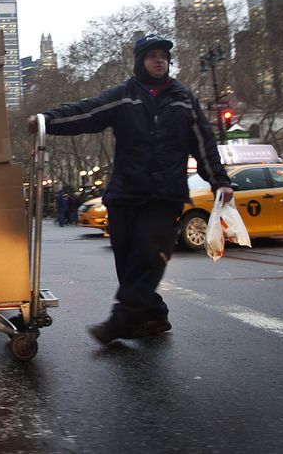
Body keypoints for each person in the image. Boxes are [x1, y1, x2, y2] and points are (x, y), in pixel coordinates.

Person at [28, 33, 233, 346]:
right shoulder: (124, 95)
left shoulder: (183, 99)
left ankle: (120, 321)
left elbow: (204, 142)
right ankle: (153, 316)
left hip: (164, 195)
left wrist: (219, 181)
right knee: (127, 263)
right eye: (152, 56)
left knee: (149, 254)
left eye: (163, 56)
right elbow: (87, 112)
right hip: (125, 193)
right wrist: (46, 120)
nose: (159, 60)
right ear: (140, 61)